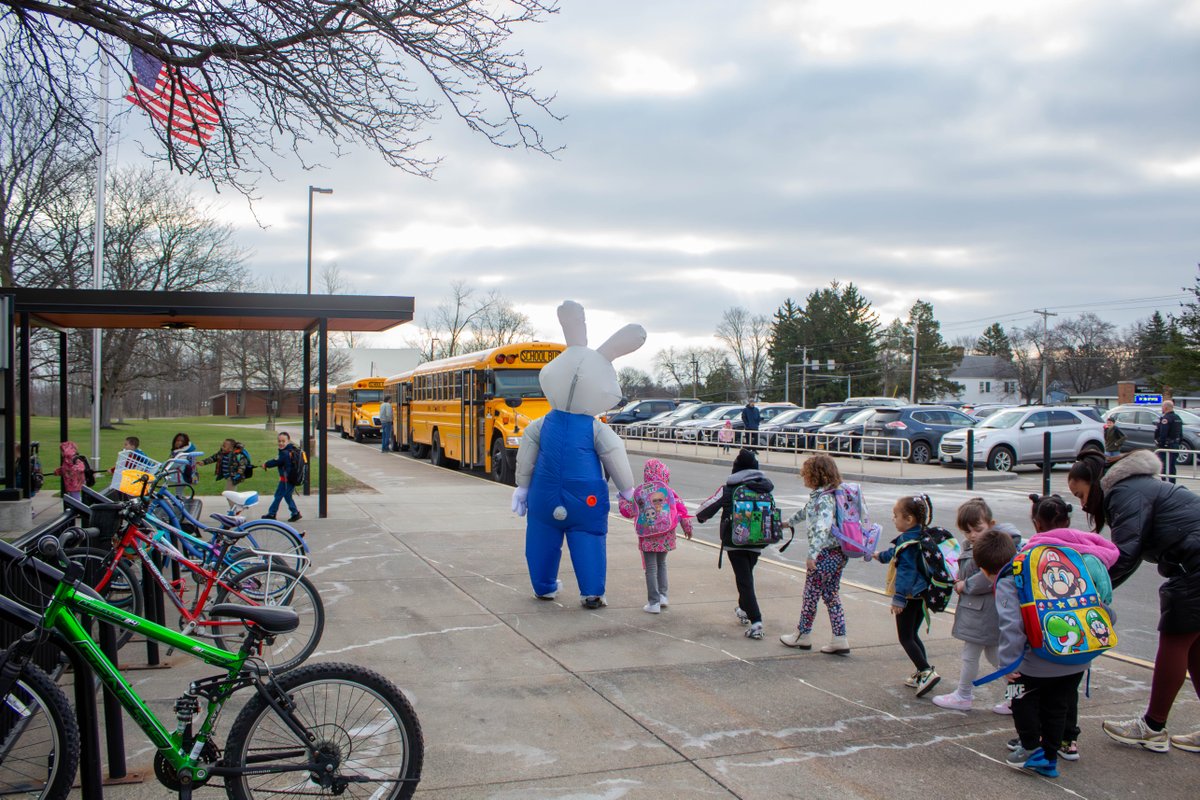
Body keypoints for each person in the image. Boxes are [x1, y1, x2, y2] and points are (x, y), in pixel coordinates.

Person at [1067, 448, 1200, 754]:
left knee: (1175, 642)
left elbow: (1125, 553)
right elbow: (1132, 553)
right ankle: (1154, 726)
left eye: (1081, 494)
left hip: (1195, 566)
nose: (1083, 503)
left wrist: (1086, 596)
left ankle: (1152, 728)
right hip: (1193, 564)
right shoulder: (1137, 486)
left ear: (1094, 481)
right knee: (1195, 651)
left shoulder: (1124, 491)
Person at [1007, 493, 1121, 763]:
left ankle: (1031, 740)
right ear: (1068, 521)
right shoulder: (1091, 557)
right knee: (1066, 694)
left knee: (1022, 694)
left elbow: (1014, 610)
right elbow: (1105, 599)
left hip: (1039, 645)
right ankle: (1067, 740)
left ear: (1036, 523)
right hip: (1082, 642)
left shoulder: (1028, 556)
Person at [974, 527, 1086, 779]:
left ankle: (1030, 748)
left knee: (1017, 695)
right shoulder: (1042, 568)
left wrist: (1008, 664)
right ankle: (1048, 757)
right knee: (1057, 707)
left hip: (1035, 662)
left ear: (984, 570)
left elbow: (1011, 626)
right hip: (1075, 657)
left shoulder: (1007, 581)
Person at [932, 498, 1022, 713]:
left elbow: (987, 578)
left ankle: (964, 695)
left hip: (981, 612)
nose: (972, 535)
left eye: (977, 529)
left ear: (991, 524)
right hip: (985, 611)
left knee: (971, 656)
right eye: (967, 531)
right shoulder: (991, 545)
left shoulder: (986, 550)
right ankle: (1016, 698)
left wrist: (964, 585)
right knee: (996, 658)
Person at [696, 448, 774, 640]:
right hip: (758, 540)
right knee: (746, 577)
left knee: (744, 580)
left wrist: (702, 518)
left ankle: (756, 622)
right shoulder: (764, 487)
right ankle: (743, 608)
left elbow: (704, 510)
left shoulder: (729, 488)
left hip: (735, 540)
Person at [779, 455, 851, 654]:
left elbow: (822, 527)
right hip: (838, 554)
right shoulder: (830, 494)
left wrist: (812, 554)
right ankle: (840, 638)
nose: (803, 478)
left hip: (825, 555)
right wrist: (787, 523)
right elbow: (805, 512)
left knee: (810, 595)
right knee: (831, 595)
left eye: (806, 474)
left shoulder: (825, 499)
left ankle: (803, 635)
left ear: (816, 475)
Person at [871, 494, 940, 697]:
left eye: (895, 515)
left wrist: (899, 598)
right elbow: (895, 553)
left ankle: (926, 671)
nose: (893, 519)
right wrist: (880, 556)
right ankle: (922, 671)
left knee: (905, 637)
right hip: (922, 595)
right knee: (913, 635)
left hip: (909, 596)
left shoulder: (906, 540)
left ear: (909, 519)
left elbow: (906, 570)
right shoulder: (920, 536)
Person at [618, 459, 693, 614]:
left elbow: (628, 511)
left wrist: (621, 499)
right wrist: (687, 528)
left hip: (647, 536)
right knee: (662, 564)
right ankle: (663, 596)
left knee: (651, 568)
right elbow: (680, 509)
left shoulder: (640, 493)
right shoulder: (668, 491)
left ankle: (654, 603)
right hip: (666, 534)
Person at [263, 431, 302, 522]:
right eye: (279, 441)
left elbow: (276, 461)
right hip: (289, 479)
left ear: (288, 441)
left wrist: (266, 464)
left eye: (283, 441)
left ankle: (272, 514)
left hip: (286, 480)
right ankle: (295, 513)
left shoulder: (284, 453)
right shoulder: (290, 451)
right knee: (286, 496)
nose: (281, 443)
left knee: (278, 496)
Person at [1154, 400, 1183, 483]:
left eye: (1162, 407)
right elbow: (1181, 433)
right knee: (1172, 466)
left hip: (1167, 446)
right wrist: (1178, 443)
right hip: (1175, 445)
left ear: (1166, 407)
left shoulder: (1166, 419)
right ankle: (1172, 484)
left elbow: (1163, 433)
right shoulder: (1178, 418)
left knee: (1164, 466)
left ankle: (1165, 484)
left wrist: (1161, 444)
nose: (1162, 408)